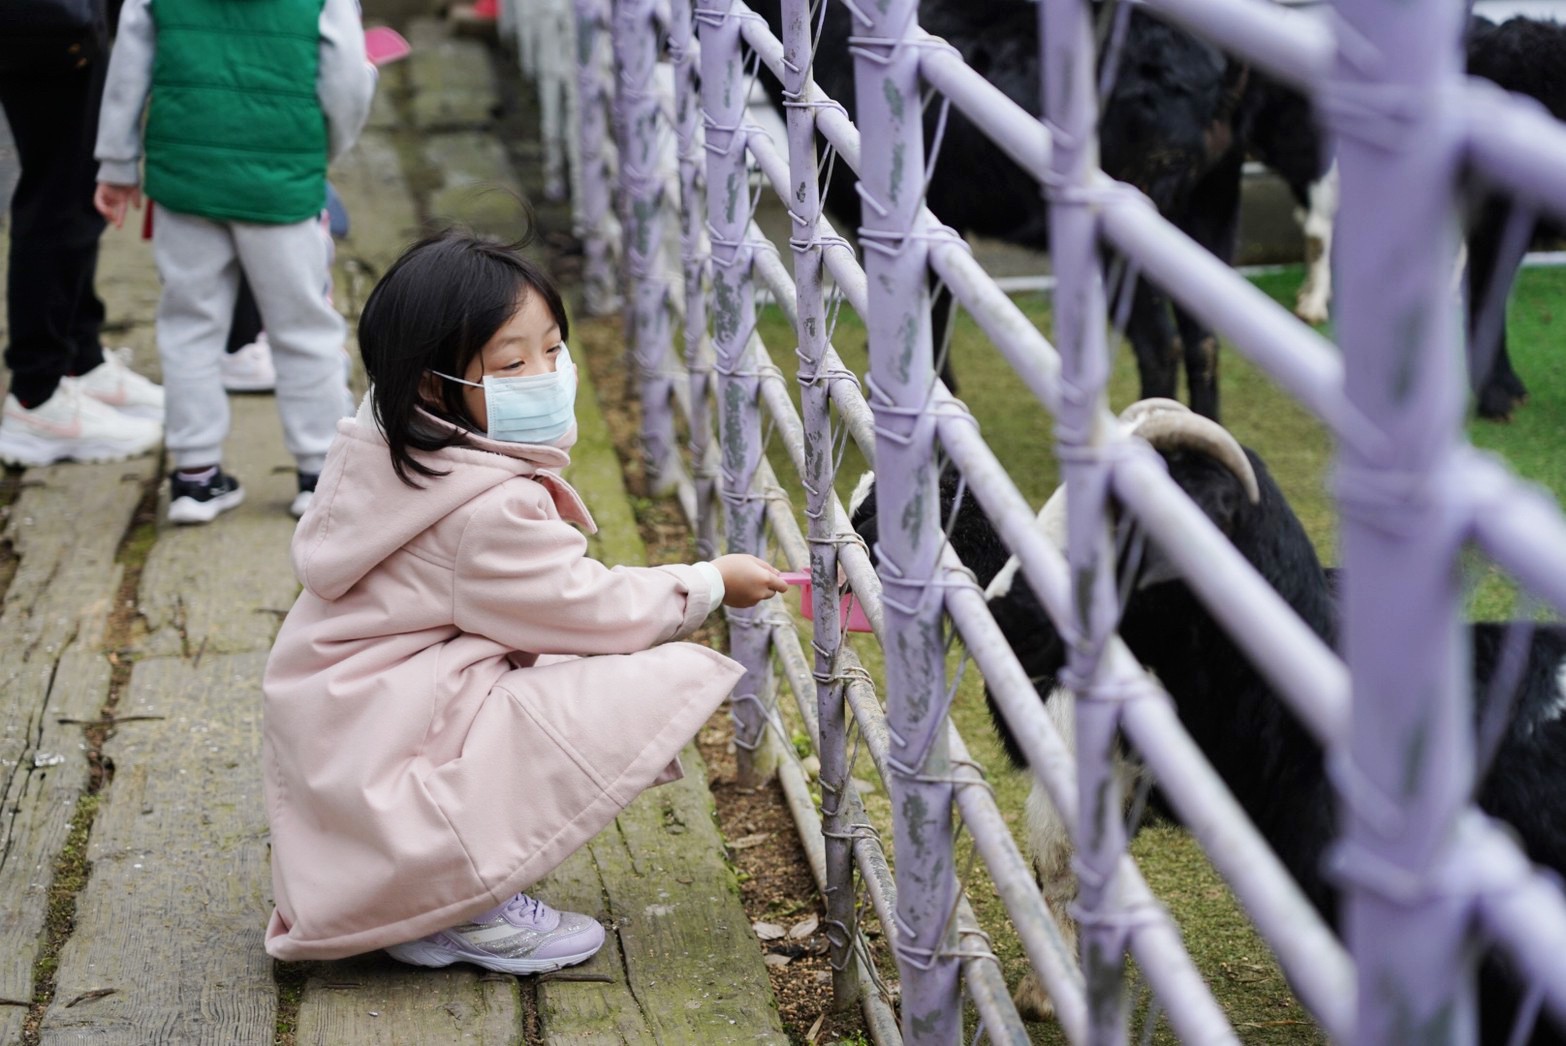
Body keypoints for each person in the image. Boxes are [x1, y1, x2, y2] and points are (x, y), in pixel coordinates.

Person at [260, 231, 788, 973]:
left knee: (552, 665)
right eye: (512, 363)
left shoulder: (386, 448)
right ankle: (453, 904)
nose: (545, 374)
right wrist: (708, 582)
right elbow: (587, 607)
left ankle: (411, 887)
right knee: (646, 677)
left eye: (552, 349)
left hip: (351, 732)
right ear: (433, 386)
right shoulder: (482, 512)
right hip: (382, 744)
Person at [93, 0, 375, 523]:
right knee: (303, 327)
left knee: (189, 326)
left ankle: (195, 479)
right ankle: (319, 475)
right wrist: (321, 150)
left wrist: (117, 164)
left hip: (186, 174)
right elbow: (347, 83)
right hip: (281, 181)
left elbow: (128, 69)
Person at [0, 0, 165, 468]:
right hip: (48, 18)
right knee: (60, 193)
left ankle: (80, 360)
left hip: (68, 18)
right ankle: (37, 397)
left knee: (72, 181)